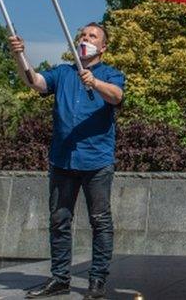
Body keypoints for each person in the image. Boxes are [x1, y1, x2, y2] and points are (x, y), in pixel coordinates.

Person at [9, 23, 125, 299]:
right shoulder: (63, 72)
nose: (86, 39)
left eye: (92, 36)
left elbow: (117, 96)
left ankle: (97, 281)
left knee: (100, 221)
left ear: (103, 47)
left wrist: (94, 83)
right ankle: (60, 278)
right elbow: (35, 82)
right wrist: (19, 55)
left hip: (96, 161)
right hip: (62, 160)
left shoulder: (111, 74)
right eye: (83, 35)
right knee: (59, 220)